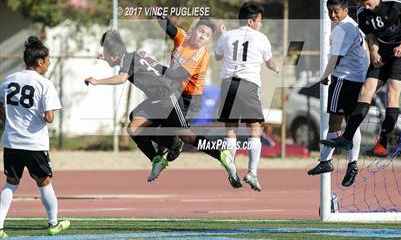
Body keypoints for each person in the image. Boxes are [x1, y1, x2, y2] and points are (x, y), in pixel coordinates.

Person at [84, 29, 240, 187]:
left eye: (106, 53)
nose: (104, 55)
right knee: (134, 126)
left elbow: (122, 77)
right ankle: (158, 159)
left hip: (169, 97)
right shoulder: (135, 55)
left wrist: (97, 81)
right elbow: (132, 64)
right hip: (157, 100)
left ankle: (221, 154)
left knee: (187, 136)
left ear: (114, 55)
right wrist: (108, 58)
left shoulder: (126, 61)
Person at [321, 0, 401, 157]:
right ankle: (347, 137)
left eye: (367, 3)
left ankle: (384, 140)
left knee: (392, 91)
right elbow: (371, 36)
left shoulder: (396, 3)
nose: (365, 7)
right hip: (382, 53)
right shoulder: (363, 13)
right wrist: (374, 51)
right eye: (361, 4)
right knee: (365, 91)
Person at [0, 37, 70, 237]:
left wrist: (6, 119)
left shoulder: (8, 79)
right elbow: (49, 117)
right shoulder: (44, 84)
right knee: (44, 182)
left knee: (11, 183)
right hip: (34, 143)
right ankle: (53, 223)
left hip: (11, 142)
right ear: (39, 62)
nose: (49, 64)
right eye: (48, 60)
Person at [215, 2, 279, 191]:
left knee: (231, 130)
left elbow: (218, 57)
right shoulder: (261, 38)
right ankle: (252, 172)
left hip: (228, 84)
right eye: (260, 21)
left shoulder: (227, 36)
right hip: (248, 84)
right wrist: (275, 66)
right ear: (251, 21)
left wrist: (223, 36)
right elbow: (269, 62)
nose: (261, 24)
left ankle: (231, 167)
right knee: (255, 128)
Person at [307, 0, 369, 187]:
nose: (333, 15)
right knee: (351, 123)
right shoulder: (354, 26)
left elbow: (336, 57)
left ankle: (325, 161)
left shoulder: (343, 28)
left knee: (334, 121)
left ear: (345, 10)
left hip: (344, 79)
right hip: (357, 78)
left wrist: (325, 75)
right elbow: (364, 51)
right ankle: (352, 164)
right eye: (330, 11)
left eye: (336, 11)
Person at [155, 16, 216, 159]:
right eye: (201, 31)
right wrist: (160, 15)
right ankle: (165, 146)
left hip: (191, 100)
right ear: (193, 30)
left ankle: (217, 153)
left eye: (207, 35)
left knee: (182, 133)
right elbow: (169, 28)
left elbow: (178, 74)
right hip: (175, 92)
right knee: (160, 125)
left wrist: (153, 67)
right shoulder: (182, 37)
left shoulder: (202, 55)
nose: (203, 37)